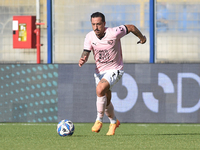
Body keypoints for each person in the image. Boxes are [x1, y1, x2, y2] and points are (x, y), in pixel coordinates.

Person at [78, 12, 146, 135]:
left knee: (100, 90)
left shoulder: (114, 33)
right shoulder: (89, 37)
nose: (96, 27)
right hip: (99, 72)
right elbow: (86, 51)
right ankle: (114, 121)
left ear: (104, 23)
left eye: (98, 24)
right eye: (93, 24)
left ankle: (99, 119)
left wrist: (142, 38)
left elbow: (131, 27)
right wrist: (83, 58)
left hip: (115, 69)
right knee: (106, 100)